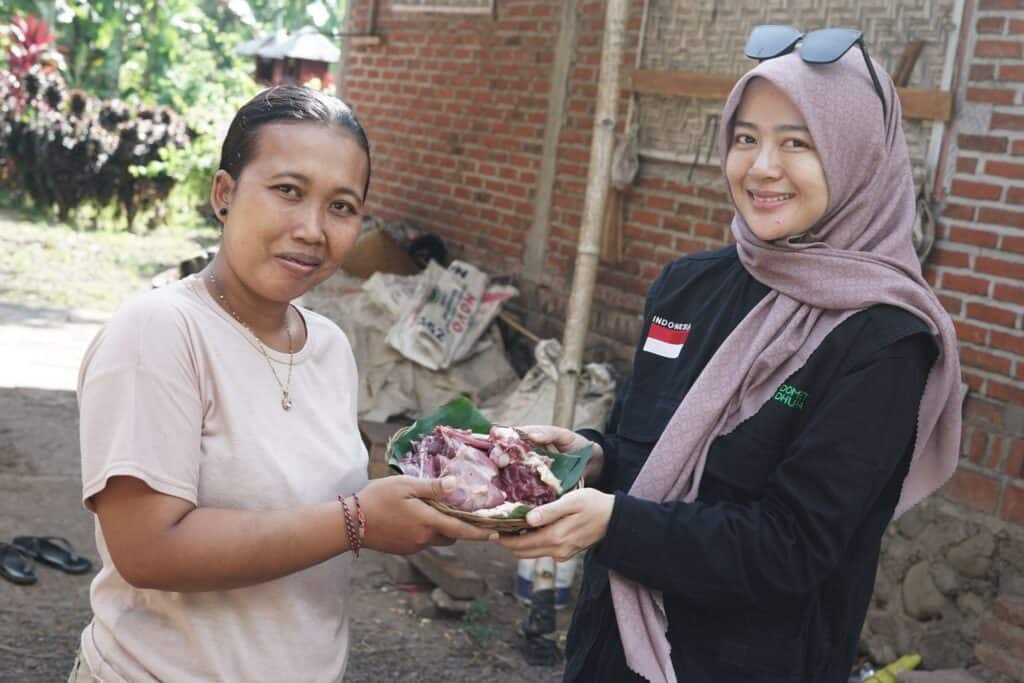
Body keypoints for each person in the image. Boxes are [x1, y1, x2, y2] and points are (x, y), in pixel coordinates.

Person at [498, 30, 963, 683]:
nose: (761, 166)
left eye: (798, 142)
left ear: (859, 155)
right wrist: (592, 456)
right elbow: (650, 446)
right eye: (745, 138)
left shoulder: (884, 340)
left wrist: (615, 523)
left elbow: (789, 548)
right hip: (612, 646)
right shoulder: (689, 284)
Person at [71, 85, 494, 683]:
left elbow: (308, 504)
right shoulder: (160, 332)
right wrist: (358, 521)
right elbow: (146, 550)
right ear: (225, 194)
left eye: (341, 207)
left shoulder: (329, 346)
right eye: (288, 191)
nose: (313, 229)